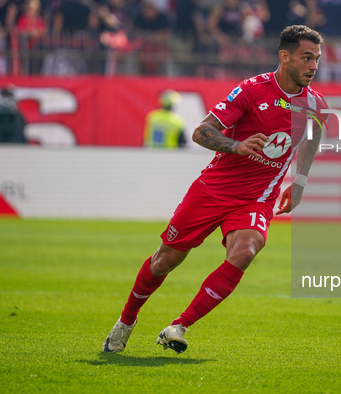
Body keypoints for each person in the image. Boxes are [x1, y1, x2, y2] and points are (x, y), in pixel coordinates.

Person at [103, 24, 328, 354]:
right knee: (164, 261)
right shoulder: (252, 90)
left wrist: (300, 181)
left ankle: (179, 326)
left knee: (247, 250)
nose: (313, 66)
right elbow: (201, 131)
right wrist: (237, 146)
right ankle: (126, 321)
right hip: (212, 190)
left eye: (317, 59)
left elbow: (312, 136)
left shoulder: (316, 104)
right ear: (285, 56)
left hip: (256, 198)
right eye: (306, 58)